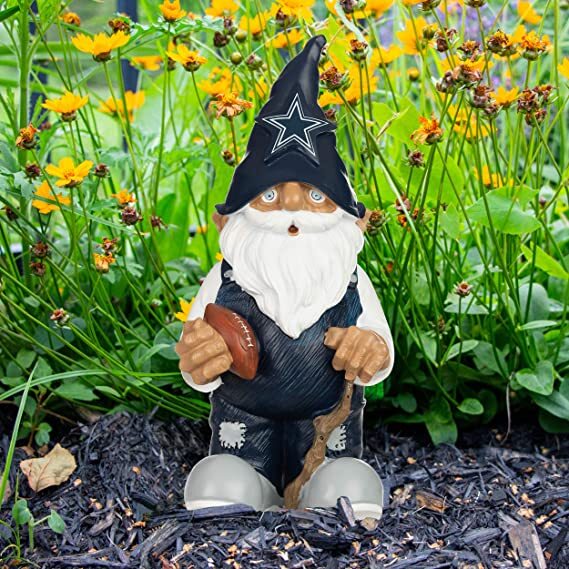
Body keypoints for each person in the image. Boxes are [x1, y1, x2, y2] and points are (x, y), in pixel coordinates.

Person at [176, 35, 394, 520]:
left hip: (327, 419)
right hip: (243, 417)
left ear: (356, 221)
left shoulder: (349, 278)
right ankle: (239, 484)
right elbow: (195, 345)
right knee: (224, 477)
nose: (293, 210)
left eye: (316, 196)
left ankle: (328, 487)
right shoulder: (227, 277)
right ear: (227, 221)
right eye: (270, 196)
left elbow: (378, 342)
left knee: (343, 479)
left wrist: (372, 348)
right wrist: (199, 357)